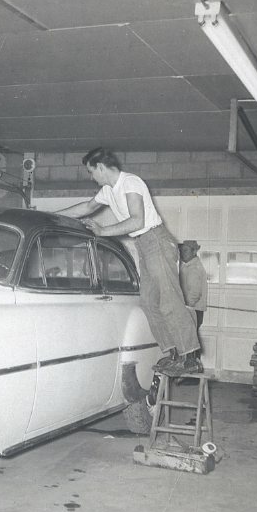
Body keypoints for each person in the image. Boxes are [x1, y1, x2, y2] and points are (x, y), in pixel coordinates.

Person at [55, 147, 201, 376]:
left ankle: (190, 357)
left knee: (169, 300)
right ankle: (173, 353)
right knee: (149, 303)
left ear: (101, 168)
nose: (91, 177)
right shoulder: (108, 190)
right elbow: (87, 207)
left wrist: (103, 231)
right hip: (144, 245)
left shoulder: (130, 183)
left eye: (91, 172)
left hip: (157, 240)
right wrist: (55, 215)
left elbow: (137, 221)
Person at [178, 240, 208, 332]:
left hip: (192, 311)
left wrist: (184, 310)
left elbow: (195, 294)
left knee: (188, 341)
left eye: (186, 250)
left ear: (194, 252)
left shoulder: (194, 268)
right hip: (190, 310)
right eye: (181, 251)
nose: (183, 253)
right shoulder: (187, 265)